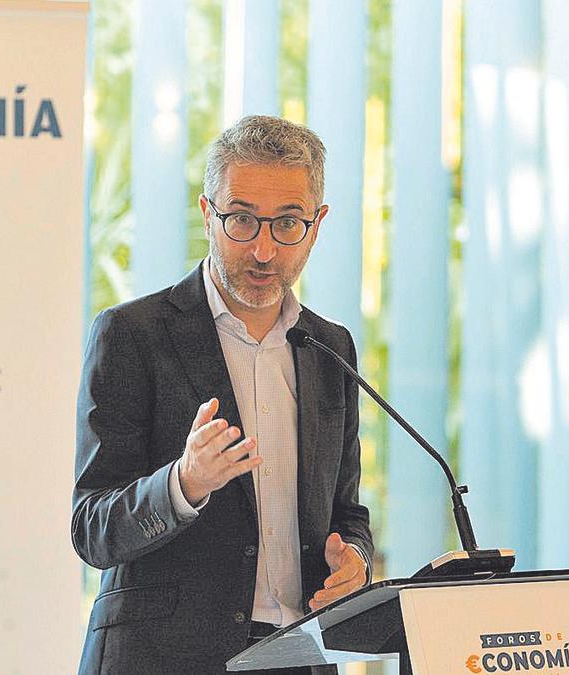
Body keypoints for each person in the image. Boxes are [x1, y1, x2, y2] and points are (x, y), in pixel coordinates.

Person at [72, 115, 373, 675]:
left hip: (296, 654)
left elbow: (347, 512)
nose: (263, 250)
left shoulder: (329, 348)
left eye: (287, 224)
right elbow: (91, 528)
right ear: (208, 214)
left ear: (317, 223)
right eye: (241, 221)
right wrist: (182, 485)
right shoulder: (133, 335)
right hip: (160, 658)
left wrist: (353, 559)